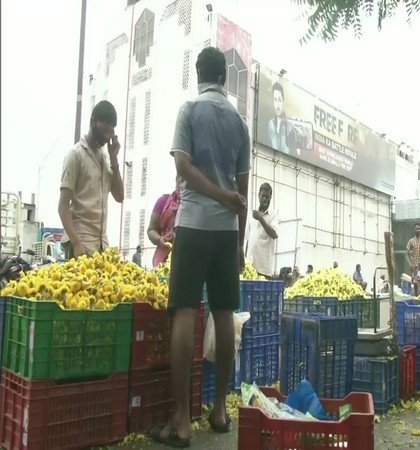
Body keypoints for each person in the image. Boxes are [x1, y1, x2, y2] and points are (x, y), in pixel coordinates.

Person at [150, 47, 249, 448]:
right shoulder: (239, 123)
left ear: (198, 74)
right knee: (224, 314)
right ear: (223, 77)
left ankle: (181, 420)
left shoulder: (188, 111)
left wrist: (218, 197)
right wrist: (239, 240)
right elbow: (241, 191)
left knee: (185, 313)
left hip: (191, 226)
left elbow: (182, 167)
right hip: (226, 234)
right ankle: (221, 410)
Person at [58, 101, 124, 259]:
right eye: (104, 130)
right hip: (81, 242)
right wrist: (76, 243)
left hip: (101, 245)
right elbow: (63, 206)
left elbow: (119, 196)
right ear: (93, 121)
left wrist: (114, 159)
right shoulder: (75, 155)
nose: (107, 136)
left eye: (110, 132)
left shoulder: (105, 158)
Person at [147, 177, 182, 267]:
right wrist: (160, 239)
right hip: (163, 259)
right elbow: (151, 230)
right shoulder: (163, 201)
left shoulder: (197, 205)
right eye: (180, 180)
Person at [246, 183, 279, 278]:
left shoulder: (274, 214)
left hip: (263, 269)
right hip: (250, 267)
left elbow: (274, 234)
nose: (264, 199)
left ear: (270, 198)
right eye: (263, 196)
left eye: (267, 197)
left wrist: (261, 218)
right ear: (258, 195)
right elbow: (248, 239)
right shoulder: (252, 215)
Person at [267, 82, 289, 154]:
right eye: (275, 100)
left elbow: (287, 151)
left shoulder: (288, 125)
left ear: (283, 101)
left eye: (279, 100)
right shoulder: (271, 124)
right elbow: (274, 146)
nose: (277, 105)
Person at [406, 223, 420, 295]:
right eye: (416, 229)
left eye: (418, 228)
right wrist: (410, 264)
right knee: (416, 284)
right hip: (415, 267)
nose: (417, 230)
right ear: (414, 230)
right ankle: (415, 299)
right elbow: (406, 253)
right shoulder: (411, 241)